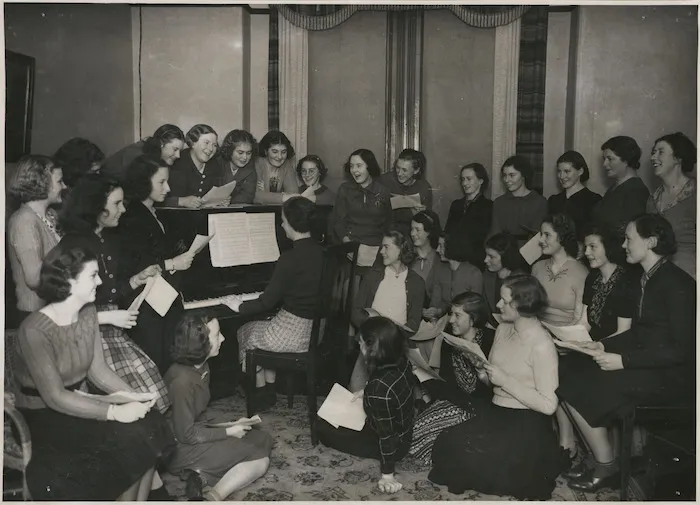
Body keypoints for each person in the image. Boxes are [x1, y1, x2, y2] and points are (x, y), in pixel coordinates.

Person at [13, 243, 173, 500]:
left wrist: (135, 397)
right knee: (128, 441)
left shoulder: (87, 314)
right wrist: (115, 412)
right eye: (92, 275)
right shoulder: (34, 330)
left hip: (80, 401)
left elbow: (98, 371)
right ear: (68, 281)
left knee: (150, 422)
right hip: (43, 415)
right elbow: (54, 396)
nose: (99, 281)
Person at [557, 214, 695, 492]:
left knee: (590, 382)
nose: (624, 245)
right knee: (567, 371)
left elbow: (684, 350)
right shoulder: (646, 278)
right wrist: (603, 346)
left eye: (629, 238)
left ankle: (606, 466)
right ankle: (605, 461)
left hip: (672, 379)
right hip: (651, 367)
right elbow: (641, 333)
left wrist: (624, 360)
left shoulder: (679, 284)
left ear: (651, 242)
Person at [429, 274, 566, 500]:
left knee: (488, 463)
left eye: (504, 300)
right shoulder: (503, 329)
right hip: (497, 411)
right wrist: (482, 369)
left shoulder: (542, 344)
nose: (498, 305)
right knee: (449, 443)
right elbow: (492, 382)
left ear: (521, 304)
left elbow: (549, 404)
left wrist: (505, 381)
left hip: (525, 421)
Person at [59, 173, 171, 413]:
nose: (123, 209)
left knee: (153, 386)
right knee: (138, 394)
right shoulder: (72, 246)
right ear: (97, 207)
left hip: (113, 328)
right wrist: (107, 316)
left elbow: (113, 290)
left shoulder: (111, 239)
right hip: (86, 334)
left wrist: (136, 279)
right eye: (116, 204)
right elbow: (62, 310)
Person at [225, 197, 324, 406]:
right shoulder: (322, 252)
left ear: (293, 224)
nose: (281, 224)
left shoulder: (289, 258)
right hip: (316, 332)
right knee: (262, 326)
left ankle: (261, 391)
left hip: (291, 336)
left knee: (244, 331)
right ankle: (269, 387)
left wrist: (238, 305)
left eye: (283, 220)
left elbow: (266, 303)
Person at [165, 312, 273, 501]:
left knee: (261, 438)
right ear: (199, 343)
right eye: (217, 335)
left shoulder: (202, 366)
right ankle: (212, 497)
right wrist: (228, 432)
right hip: (179, 448)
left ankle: (200, 476)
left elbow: (197, 416)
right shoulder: (181, 382)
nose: (223, 338)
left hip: (194, 432)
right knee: (260, 459)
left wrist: (229, 425)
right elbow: (185, 435)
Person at [318, 317, 417, 494]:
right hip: (404, 429)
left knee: (322, 426)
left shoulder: (378, 389)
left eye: (362, 344)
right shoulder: (401, 360)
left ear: (372, 349)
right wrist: (366, 393)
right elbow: (396, 389)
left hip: (392, 444)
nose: (360, 349)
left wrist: (388, 475)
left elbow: (386, 436)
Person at [120, 155, 194, 372]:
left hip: (162, 296)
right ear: (143, 183)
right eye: (161, 182)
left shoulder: (154, 211)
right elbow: (142, 264)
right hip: (145, 304)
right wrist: (173, 262)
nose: (168, 188)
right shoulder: (132, 217)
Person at [410, 292, 494, 465]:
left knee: (421, 437)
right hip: (455, 403)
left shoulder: (490, 341)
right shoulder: (449, 341)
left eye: (457, 315)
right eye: (451, 314)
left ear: (474, 318)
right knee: (413, 432)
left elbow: (494, 389)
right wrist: (423, 375)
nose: (450, 320)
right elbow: (447, 386)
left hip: (480, 409)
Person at [349, 230, 425, 391]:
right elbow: (355, 311)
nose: (381, 251)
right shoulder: (373, 275)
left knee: (394, 391)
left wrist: (391, 333)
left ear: (401, 249)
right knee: (356, 389)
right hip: (370, 343)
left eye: (386, 247)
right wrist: (373, 327)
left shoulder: (417, 283)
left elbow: (414, 323)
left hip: (397, 346)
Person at [7, 155, 66, 322]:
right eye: (60, 181)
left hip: (53, 311)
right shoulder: (24, 222)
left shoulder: (50, 215)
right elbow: (34, 279)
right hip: (34, 316)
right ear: (42, 183)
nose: (65, 186)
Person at [646, 132, 696, 279]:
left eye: (660, 152)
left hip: (689, 276)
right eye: (653, 152)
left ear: (677, 158)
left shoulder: (695, 194)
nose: (653, 157)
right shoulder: (652, 200)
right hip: (658, 276)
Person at [531, 214, 588, 326]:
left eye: (547, 235)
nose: (541, 240)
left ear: (562, 237)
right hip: (536, 332)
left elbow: (579, 321)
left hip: (566, 337)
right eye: (541, 235)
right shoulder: (537, 267)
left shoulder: (581, 273)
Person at [581, 224, 635, 341]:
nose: (586, 252)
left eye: (592, 247)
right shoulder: (592, 277)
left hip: (614, 349)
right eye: (585, 247)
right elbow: (585, 322)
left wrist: (595, 346)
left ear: (608, 247)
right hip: (591, 344)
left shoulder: (625, 282)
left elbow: (623, 332)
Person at [330, 148, 392, 249]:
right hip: (350, 245)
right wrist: (347, 244)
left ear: (369, 167)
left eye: (359, 166)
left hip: (377, 247)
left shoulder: (383, 191)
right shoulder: (345, 189)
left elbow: (389, 223)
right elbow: (338, 221)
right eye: (351, 166)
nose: (354, 170)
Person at [592, 136, 650, 237]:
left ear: (626, 160)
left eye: (610, 159)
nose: (604, 164)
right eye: (604, 159)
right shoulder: (614, 188)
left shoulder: (636, 191)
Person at [489, 155, 548, 247]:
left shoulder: (539, 202)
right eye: (504, 175)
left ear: (524, 175)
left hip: (529, 255)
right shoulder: (499, 202)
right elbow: (495, 233)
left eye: (512, 175)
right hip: (502, 252)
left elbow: (537, 237)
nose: (506, 180)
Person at [444, 162, 493, 268]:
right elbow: (448, 231)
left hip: (475, 262)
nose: (465, 183)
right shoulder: (456, 205)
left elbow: (483, 237)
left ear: (480, 181)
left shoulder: (489, 206)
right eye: (463, 179)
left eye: (469, 179)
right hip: (454, 261)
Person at [547, 151, 602, 243]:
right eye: (559, 171)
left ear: (580, 171)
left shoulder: (594, 200)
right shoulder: (554, 200)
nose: (561, 176)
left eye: (567, 171)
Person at [101, 124, 185, 182]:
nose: (178, 156)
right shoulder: (138, 157)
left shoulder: (152, 153)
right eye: (175, 149)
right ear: (161, 144)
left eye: (180, 151)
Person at [424, 237, 483, 320]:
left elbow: (476, 310)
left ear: (452, 247)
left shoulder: (474, 274)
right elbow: (435, 302)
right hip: (443, 322)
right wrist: (435, 311)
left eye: (441, 246)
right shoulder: (440, 270)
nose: (437, 250)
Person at [165, 124, 221, 208]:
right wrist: (181, 201)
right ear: (193, 143)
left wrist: (219, 200)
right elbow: (156, 201)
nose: (210, 149)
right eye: (206, 143)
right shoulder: (175, 163)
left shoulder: (215, 165)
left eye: (214, 145)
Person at [380, 149, 433, 237]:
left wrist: (422, 215)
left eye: (404, 170)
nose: (399, 173)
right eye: (397, 168)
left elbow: (428, 222)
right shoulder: (384, 181)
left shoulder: (424, 188)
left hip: (410, 235)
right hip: (384, 232)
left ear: (416, 171)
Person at [481, 233, 528, 319]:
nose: (485, 260)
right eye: (486, 255)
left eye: (491, 256)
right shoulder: (486, 276)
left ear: (506, 257)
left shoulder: (521, 281)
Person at [254, 131, 304, 204]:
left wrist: (266, 195)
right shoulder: (257, 164)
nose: (280, 157)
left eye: (283, 152)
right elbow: (255, 196)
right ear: (265, 151)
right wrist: (283, 197)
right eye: (275, 152)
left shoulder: (286, 165)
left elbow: (293, 194)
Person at [218, 129, 258, 204]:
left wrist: (230, 202)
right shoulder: (218, 164)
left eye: (248, 153)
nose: (245, 157)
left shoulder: (250, 168)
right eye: (240, 153)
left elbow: (248, 196)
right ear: (229, 151)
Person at [409, 210, 441, 300]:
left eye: (417, 230)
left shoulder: (439, 259)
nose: (412, 233)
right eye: (411, 229)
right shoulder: (406, 256)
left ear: (429, 232)